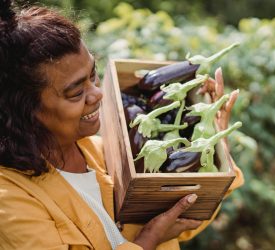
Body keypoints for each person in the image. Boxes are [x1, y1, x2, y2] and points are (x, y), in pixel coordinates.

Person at [0, 1, 244, 249]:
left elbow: (186, 219)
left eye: (93, 74)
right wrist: (150, 238)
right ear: (26, 110)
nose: (97, 94)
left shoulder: (107, 151)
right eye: (76, 93)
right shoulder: (9, 200)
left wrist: (217, 145)